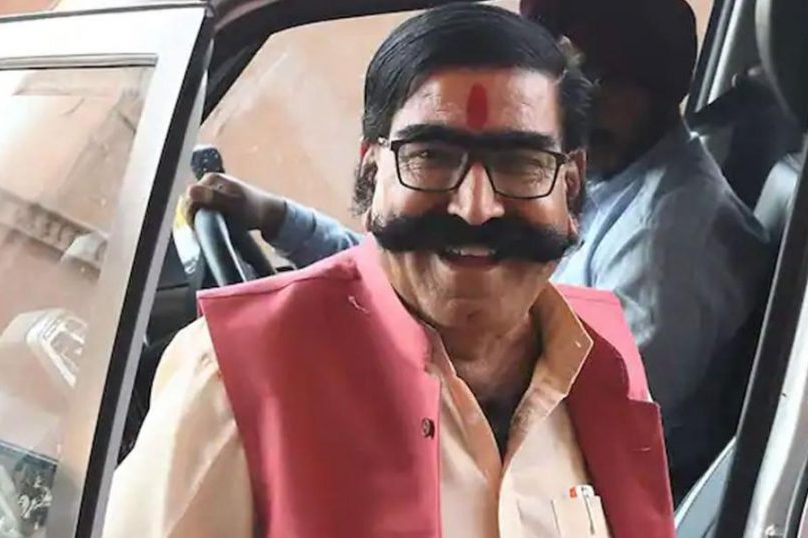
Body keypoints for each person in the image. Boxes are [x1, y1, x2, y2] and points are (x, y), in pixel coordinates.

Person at [107, 5, 675, 537]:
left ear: (569, 188)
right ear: (371, 172)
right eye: (431, 158)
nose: (475, 208)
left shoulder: (604, 361)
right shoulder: (232, 376)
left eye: (520, 163)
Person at [188, 0, 770, 496]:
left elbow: (567, 428)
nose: (569, 104)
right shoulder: (597, 179)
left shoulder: (670, 245)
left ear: (655, 89)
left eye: (592, 82)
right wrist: (279, 219)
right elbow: (423, 275)